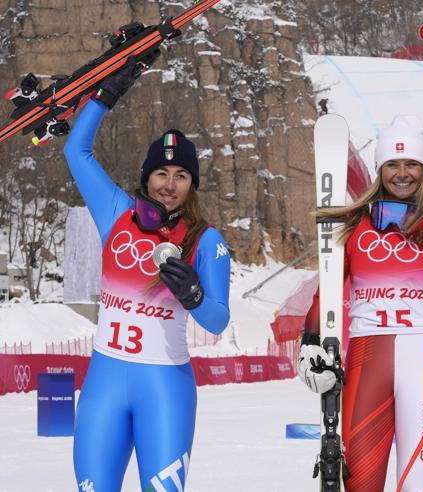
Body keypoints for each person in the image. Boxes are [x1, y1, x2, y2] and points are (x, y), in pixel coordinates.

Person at [64, 59, 230, 491]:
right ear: (147, 176)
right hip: (105, 383)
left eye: (181, 176)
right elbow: (75, 150)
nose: (169, 184)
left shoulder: (205, 240)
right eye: (161, 173)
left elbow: (218, 318)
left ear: (192, 185)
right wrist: (105, 95)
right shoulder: (116, 212)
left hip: (164, 388)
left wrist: (194, 296)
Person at [297, 115, 423, 491]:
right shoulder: (352, 224)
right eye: (392, 164)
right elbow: (326, 294)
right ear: (380, 169)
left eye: (412, 163)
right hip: (368, 357)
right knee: (359, 485)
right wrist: (309, 342)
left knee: (419, 486)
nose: (403, 173)